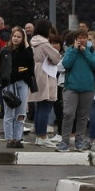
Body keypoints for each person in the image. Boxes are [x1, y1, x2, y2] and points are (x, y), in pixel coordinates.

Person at [58, 29, 95, 152]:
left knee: (83, 116)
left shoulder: (90, 50)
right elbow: (66, 64)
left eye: (84, 37)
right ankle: (65, 141)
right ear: (75, 39)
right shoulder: (70, 50)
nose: (82, 40)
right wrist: (75, 50)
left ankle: (79, 141)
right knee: (68, 114)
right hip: (71, 87)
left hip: (87, 87)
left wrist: (85, 52)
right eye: (80, 37)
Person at [0, 27, 34, 149]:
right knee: (9, 112)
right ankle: (9, 139)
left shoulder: (26, 51)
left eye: (19, 37)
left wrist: (27, 44)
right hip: (8, 84)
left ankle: (18, 138)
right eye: (14, 36)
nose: (16, 39)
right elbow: (0, 67)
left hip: (23, 83)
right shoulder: (5, 51)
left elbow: (30, 64)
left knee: (21, 112)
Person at [28, 19, 61, 148]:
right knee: (45, 106)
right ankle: (42, 136)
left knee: (39, 106)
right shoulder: (45, 44)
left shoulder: (32, 42)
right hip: (46, 73)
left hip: (36, 73)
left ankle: (39, 135)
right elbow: (56, 58)